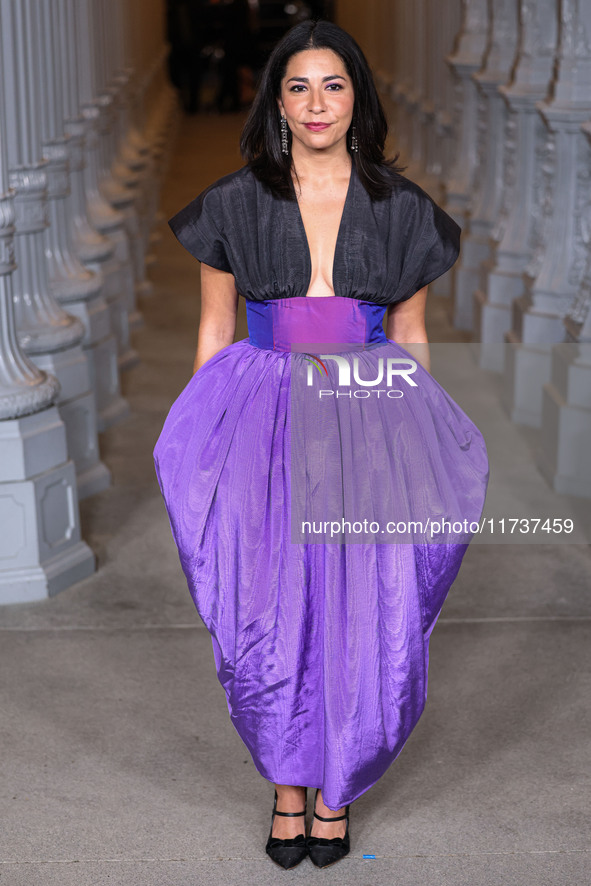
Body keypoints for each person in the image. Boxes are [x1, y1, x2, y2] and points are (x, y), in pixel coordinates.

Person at [154, 20, 489, 870]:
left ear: (357, 99)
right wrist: (203, 444)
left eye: (333, 85)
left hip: (365, 420)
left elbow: (410, 337)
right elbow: (214, 328)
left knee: (359, 609)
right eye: (297, 86)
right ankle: (286, 788)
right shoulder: (233, 203)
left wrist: (419, 444)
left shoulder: (403, 209)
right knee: (269, 609)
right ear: (274, 100)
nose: (315, 103)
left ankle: (335, 791)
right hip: (262, 417)